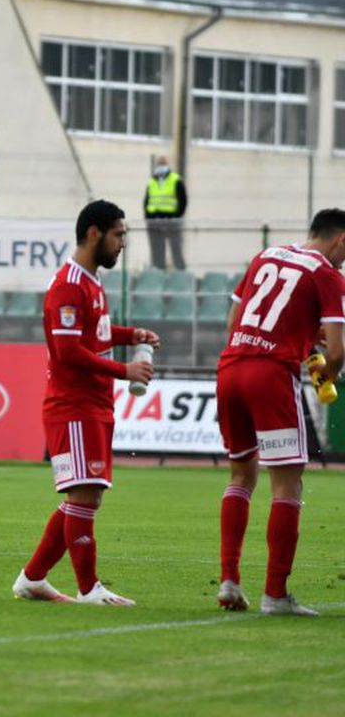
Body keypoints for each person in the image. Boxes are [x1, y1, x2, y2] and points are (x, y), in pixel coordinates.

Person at [13, 199, 158, 605]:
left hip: (94, 403)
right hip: (72, 405)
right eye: (118, 234)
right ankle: (88, 587)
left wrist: (133, 336)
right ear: (94, 233)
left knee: (88, 493)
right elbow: (68, 352)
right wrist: (124, 371)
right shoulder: (68, 285)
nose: (123, 243)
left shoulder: (91, 282)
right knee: (83, 493)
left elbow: (97, 333)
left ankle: (33, 578)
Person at [215, 209, 345, 617]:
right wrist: (324, 373)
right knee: (288, 484)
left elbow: (235, 318)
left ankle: (230, 581)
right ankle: (275, 595)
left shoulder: (266, 255)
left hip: (231, 367)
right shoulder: (327, 273)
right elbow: (338, 351)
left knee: (241, 474)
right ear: (340, 239)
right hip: (271, 376)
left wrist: (302, 339)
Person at [143, 155, 187, 270]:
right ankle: (159, 271)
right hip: (155, 221)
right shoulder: (152, 181)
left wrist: (177, 217)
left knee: (176, 248)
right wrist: (148, 217)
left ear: (167, 166)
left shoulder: (175, 179)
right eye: (159, 164)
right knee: (157, 250)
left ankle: (181, 271)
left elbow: (183, 200)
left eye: (163, 164)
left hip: (171, 220)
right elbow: (147, 201)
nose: (161, 167)